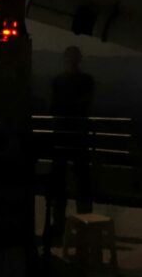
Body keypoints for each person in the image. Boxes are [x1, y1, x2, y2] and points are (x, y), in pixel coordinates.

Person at [48, 46, 95, 235]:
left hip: (63, 135)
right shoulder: (86, 81)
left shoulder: (59, 81)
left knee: (62, 180)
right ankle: (84, 223)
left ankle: (61, 223)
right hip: (76, 135)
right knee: (80, 179)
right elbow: (84, 104)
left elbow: (55, 107)